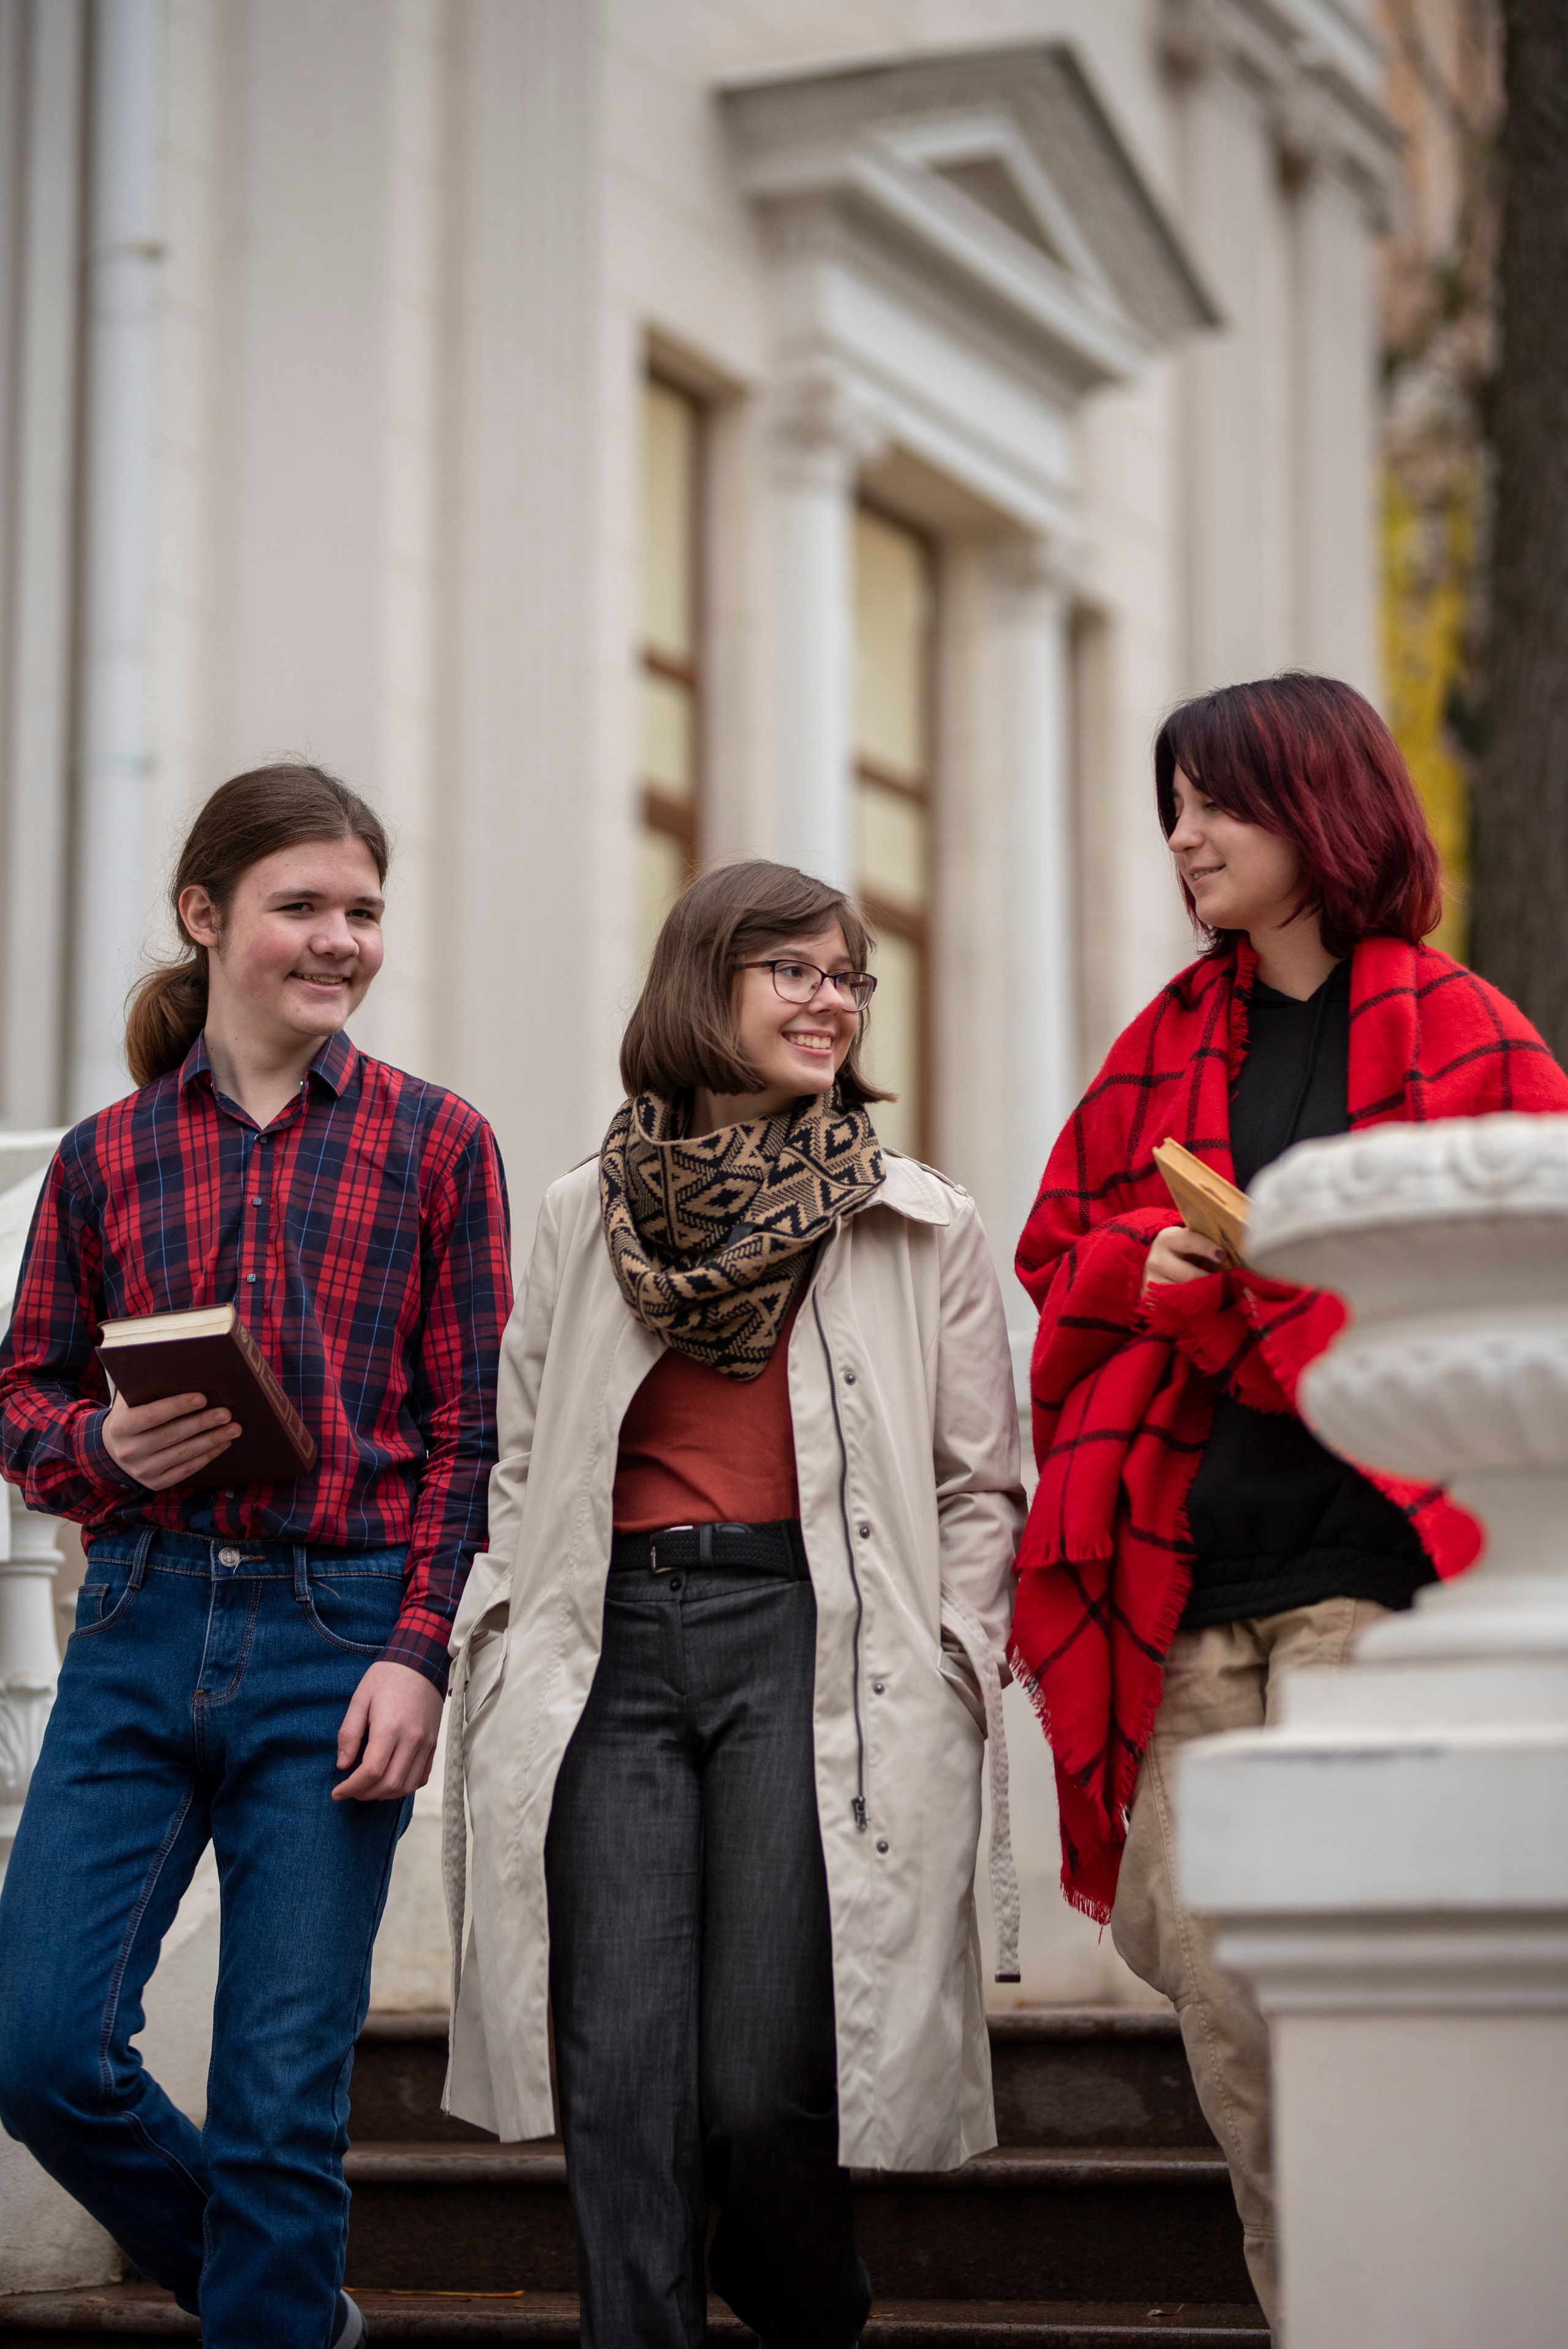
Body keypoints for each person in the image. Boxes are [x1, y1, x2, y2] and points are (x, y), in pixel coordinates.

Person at [1008, 673, 1568, 2332]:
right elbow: (1057, 1253)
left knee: (1351, 1999)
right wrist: (1148, 1266)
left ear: (1318, 807)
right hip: (1182, 1591)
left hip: (1379, 1590)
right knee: (1220, 1990)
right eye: (1172, 807)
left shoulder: (1468, 1032)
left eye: (1217, 804)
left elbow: (1529, 1297)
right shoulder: (1163, 1041)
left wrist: (1258, 1302)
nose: (1183, 838)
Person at [440, 859, 1023, 2349]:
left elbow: (979, 1483)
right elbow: (522, 1460)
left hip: (815, 1647)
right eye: (794, 972)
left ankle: (799, 2292)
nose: (832, 1001)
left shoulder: (917, 1220)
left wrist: (952, 1655)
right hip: (607, 1649)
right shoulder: (581, 1215)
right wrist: (501, 1636)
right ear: (705, 984)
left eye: (847, 977)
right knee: (621, 2072)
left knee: (766, 2080)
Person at [0, 765, 511, 2349]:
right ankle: (278, 2302)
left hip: (339, 1641)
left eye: (363, 909)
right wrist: (104, 1451)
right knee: (38, 2051)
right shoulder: (105, 1158)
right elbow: (22, 1397)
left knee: (281, 2096)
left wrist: (417, 1654)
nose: (339, 938)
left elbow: (468, 1438)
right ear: (206, 915)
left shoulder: (440, 1144)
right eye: (301, 906)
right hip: (139, 1624)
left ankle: (274, 2314)